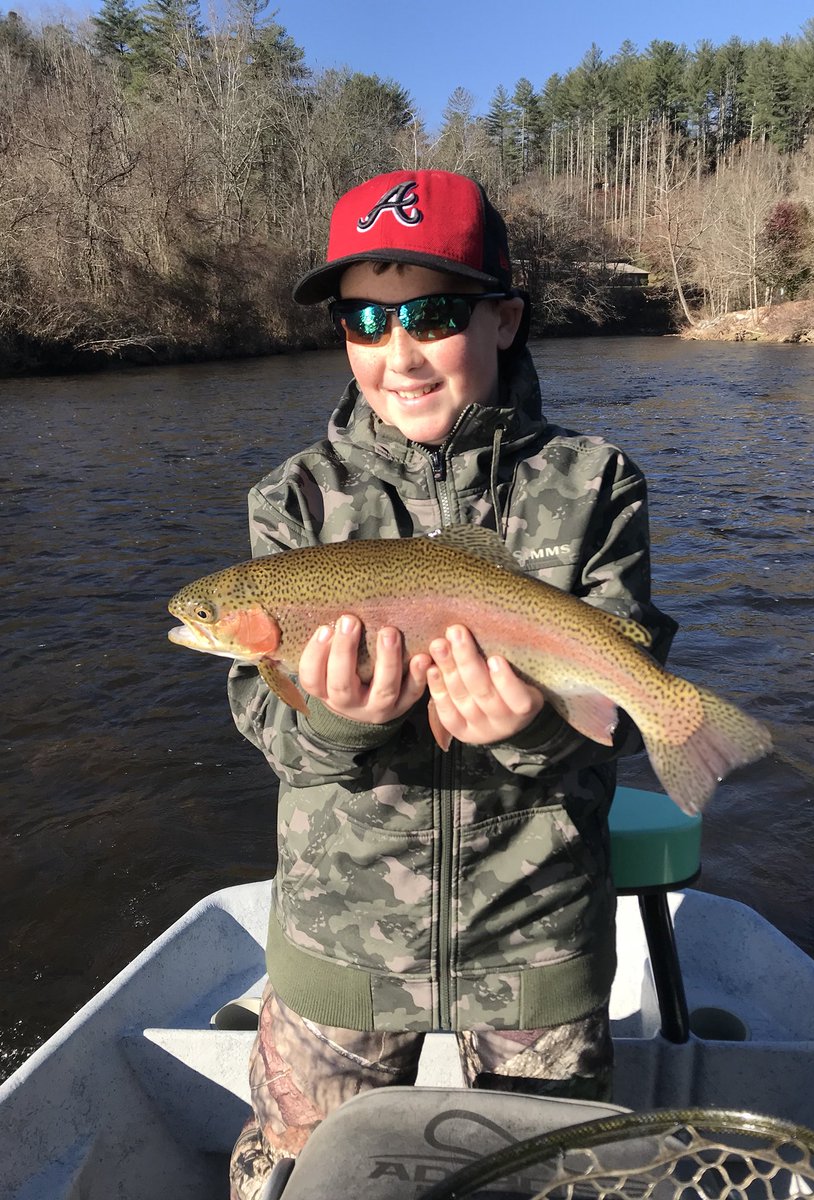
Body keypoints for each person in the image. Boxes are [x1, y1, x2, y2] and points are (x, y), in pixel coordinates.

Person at [226, 168, 677, 1199]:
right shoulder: (291, 501)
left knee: (546, 1180)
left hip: (537, 934)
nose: (398, 351)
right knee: (297, 1176)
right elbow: (264, 718)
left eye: (430, 313)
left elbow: (630, 686)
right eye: (364, 318)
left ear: (505, 317)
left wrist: (535, 727)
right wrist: (335, 723)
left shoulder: (597, 484)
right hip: (336, 943)